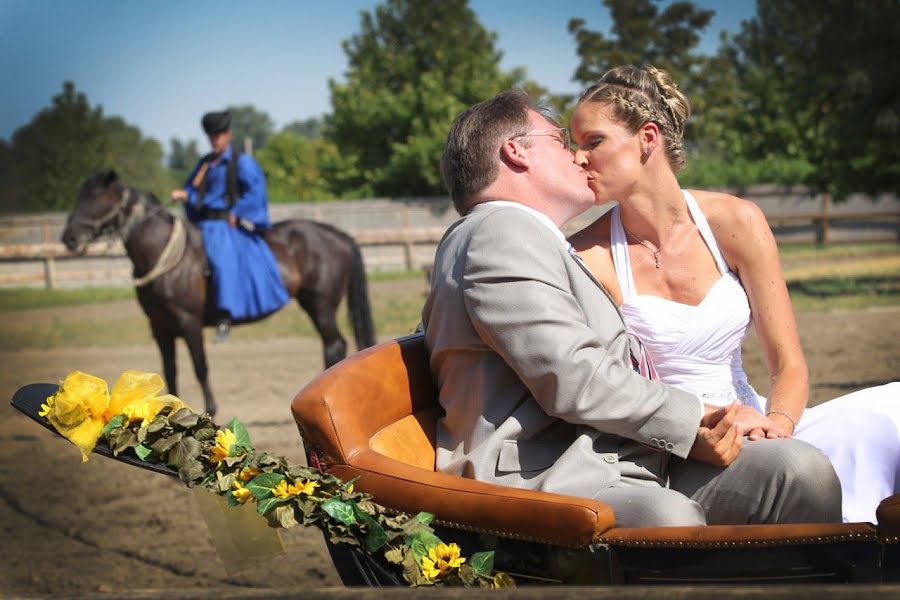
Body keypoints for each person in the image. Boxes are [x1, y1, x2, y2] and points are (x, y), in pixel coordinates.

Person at [421, 89, 842, 528]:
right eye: (560, 140)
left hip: (619, 454)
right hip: (546, 473)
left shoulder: (528, 237)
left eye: (587, 143)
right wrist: (700, 416)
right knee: (668, 518)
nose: (575, 157)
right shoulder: (501, 232)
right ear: (516, 152)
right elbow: (574, 377)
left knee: (798, 471)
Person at [567, 65, 899, 524]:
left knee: (892, 414)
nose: (577, 159)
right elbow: (605, 393)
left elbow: (789, 364)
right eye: (574, 145)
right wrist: (699, 431)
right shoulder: (587, 254)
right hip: (673, 447)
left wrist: (777, 427)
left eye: (593, 142)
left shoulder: (736, 222)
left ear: (647, 138)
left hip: (761, 423)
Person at [171, 110, 289, 342]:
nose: (214, 140)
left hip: (223, 225)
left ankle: (224, 315)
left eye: (218, 136)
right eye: (211, 136)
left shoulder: (242, 162)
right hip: (200, 222)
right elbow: (194, 190)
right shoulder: (205, 164)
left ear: (228, 135)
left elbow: (256, 191)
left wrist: (238, 212)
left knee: (220, 259)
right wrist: (186, 195)